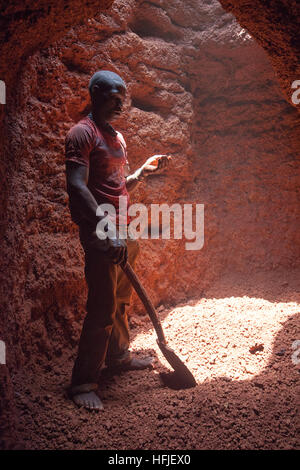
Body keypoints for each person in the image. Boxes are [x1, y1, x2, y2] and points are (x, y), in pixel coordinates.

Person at [65, 70, 170, 410]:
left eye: (124, 96)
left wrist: (142, 172)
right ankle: (82, 383)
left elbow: (118, 184)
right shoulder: (83, 132)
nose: (121, 102)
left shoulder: (117, 137)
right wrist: (105, 229)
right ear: (96, 93)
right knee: (102, 305)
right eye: (113, 95)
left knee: (121, 300)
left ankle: (119, 357)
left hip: (125, 230)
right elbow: (78, 186)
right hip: (102, 232)